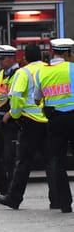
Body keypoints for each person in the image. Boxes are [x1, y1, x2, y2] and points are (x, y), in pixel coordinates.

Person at [0, 43, 57, 210]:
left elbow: (15, 97)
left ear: (26, 58)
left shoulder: (24, 72)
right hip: (49, 120)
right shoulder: (49, 69)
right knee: (51, 161)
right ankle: (57, 199)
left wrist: (13, 115)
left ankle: (14, 198)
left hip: (29, 122)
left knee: (23, 163)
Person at [32, 38, 74, 213]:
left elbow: (36, 98)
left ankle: (64, 203)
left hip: (55, 121)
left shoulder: (42, 73)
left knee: (57, 161)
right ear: (66, 53)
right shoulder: (72, 68)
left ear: (53, 52)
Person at [0, 45, 20, 196]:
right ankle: (3, 189)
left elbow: (21, 97)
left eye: (2, 58)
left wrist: (12, 113)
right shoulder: (1, 74)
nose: (0, 62)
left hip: (12, 121)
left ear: (12, 58)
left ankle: (12, 191)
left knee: (10, 158)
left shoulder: (19, 74)